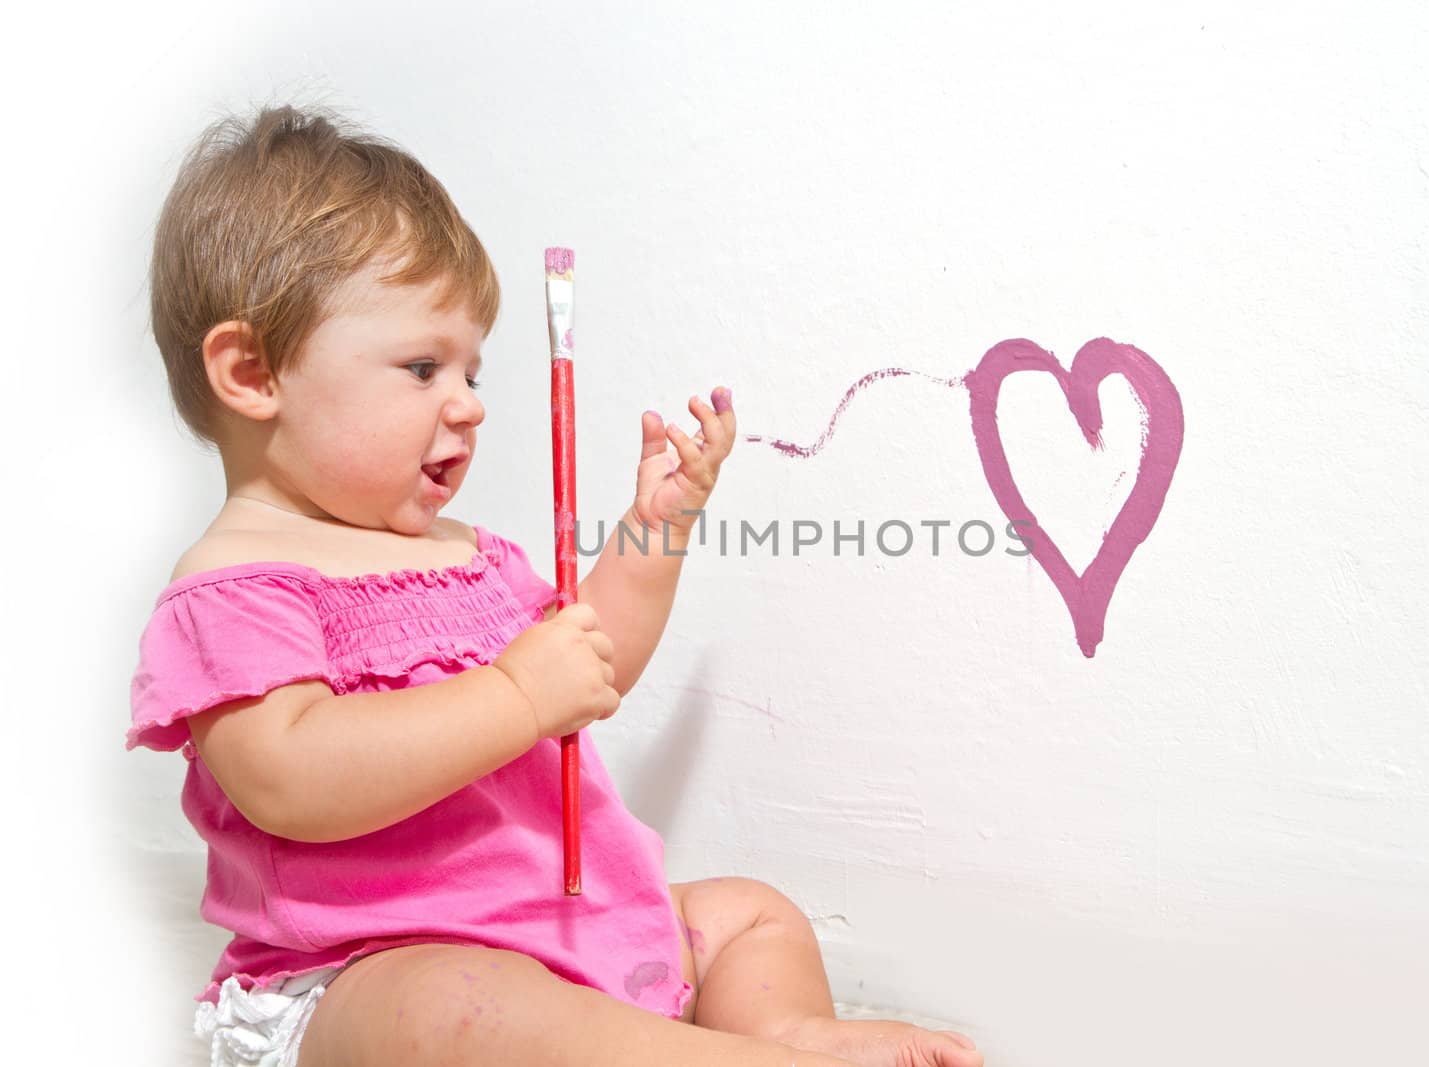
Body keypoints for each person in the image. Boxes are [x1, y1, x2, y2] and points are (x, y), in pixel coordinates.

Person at [128, 104, 984, 1067]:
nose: (471, 403)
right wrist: (510, 694)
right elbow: (290, 778)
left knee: (749, 913)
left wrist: (652, 534)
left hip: (568, 933)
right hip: (366, 971)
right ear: (251, 372)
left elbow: (593, 664)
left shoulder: (467, 555)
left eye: (472, 368)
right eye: (422, 367)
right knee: (458, 1008)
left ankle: (782, 1031)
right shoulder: (234, 585)